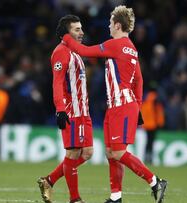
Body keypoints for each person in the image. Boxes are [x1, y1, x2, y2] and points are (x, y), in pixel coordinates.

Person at [63, 5, 167, 203]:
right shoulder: (132, 48)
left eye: (111, 23)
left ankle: (155, 181)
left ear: (118, 25)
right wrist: (137, 106)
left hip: (121, 106)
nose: (109, 26)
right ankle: (116, 197)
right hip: (120, 106)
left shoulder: (116, 44)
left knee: (118, 152)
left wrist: (66, 36)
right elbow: (139, 80)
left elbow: (83, 50)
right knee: (111, 152)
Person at [37, 15, 94, 203]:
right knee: (73, 154)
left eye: (81, 28)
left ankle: (49, 180)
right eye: (77, 29)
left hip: (83, 111)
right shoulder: (61, 52)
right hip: (72, 112)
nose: (81, 32)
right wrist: (60, 109)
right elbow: (57, 83)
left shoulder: (75, 52)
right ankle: (75, 199)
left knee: (87, 153)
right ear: (65, 33)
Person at [141, 87, 165, 164]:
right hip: (153, 125)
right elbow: (159, 114)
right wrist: (160, 123)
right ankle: (149, 157)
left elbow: (143, 114)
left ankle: (147, 157)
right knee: (150, 142)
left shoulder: (146, 103)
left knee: (149, 142)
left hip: (148, 125)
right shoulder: (156, 102)